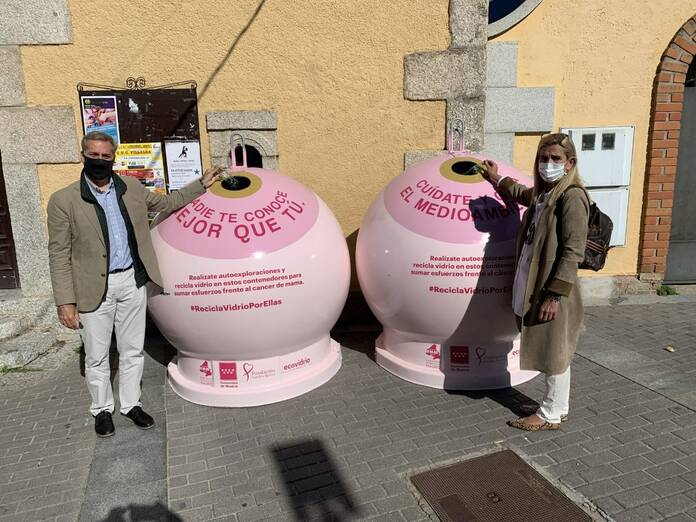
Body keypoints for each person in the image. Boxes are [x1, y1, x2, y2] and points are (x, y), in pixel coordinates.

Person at [47, 131, 222, 437]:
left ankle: (131, 405)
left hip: (131, 280)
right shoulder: (64, 200)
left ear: (113, 158)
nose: (99, 161)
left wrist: (201, 184)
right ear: (82, 155)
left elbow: (168, 202)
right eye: (93, 155)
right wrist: (65, 301)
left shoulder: (132, 187)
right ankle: (102, 410)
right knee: (97, 355)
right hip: (92, 288)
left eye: (106, 156)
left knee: (132, 350)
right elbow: (58, 253)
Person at [482, 133, 589, 431]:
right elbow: (521, 193)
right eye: (543, 158)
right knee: (554, 348)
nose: (548, 164)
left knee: (552, 349)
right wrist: (496, 179)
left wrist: (554, 295)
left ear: (570, 164)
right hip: (534, 284)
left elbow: (573, 251)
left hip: (551, 289)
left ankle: (549, 415)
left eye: (555, 158)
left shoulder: (572, 197)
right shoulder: (545, 195)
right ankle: (558, 406)